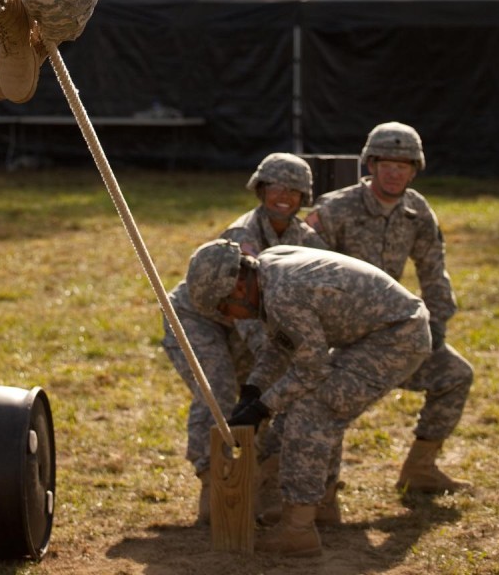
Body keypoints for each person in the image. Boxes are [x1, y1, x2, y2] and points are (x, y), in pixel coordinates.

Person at [185, 239, 432, 557]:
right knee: (299, 407)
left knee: (312, 412)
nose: (230, 318)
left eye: (223, 308)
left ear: (238, 290)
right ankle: (322, 505)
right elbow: (283, 343)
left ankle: (298, 530)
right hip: (376, 333)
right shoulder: (269, 269)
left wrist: (262, 408)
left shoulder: (282, 295)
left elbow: (311, 370)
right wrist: (253, 390)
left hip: (398, 336)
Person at [305, 120, 473, 494]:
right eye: (387, 165)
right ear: (370, 165)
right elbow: (306, 277)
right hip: (341, 338)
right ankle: (317, 490)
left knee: (455, 375)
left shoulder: (416, 211)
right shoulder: (335, 210)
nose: (395, 173)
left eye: (404, 166)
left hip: (394, 335)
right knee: (327, 404)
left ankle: (420, 469)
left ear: (415, 170)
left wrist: (437, 328)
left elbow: (434, 272)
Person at [161, 153, 327, 524]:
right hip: (199, 319)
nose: (284, 196)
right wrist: (280, 362)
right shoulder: (242, 237)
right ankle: (214, 485)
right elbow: (249, 316)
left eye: (294, 190)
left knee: (265, 400)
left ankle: (260, 484)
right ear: (261, 189)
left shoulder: (311, 241)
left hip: (253, 328)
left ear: (305, 197)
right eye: (276, 187)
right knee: (217, 391)